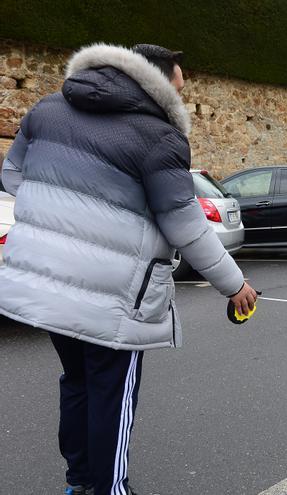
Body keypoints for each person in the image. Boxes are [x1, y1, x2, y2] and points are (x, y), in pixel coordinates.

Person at [0, 43, 258, 495]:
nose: (179, 97)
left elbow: (13, 176)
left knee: (77, 383)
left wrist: (69, 220)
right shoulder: (159, 137)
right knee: (113, 397)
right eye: (176, 88)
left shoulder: (48, 109)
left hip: (46, 282)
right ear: (152, 83)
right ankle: (110, 490)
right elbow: (186, 225)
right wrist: (234, 284)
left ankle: (80, 482)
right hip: (113, 294)